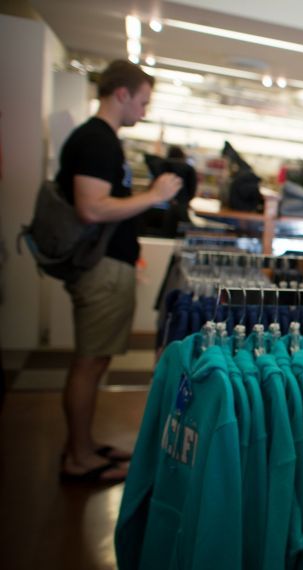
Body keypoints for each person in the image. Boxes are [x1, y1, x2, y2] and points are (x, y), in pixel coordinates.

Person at [56, 60, 182, 483]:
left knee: (94, 361)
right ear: (122, 94)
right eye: (143, 101)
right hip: (101, 268)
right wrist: (154, 195)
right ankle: (78, 457)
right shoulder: (97, 141)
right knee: (90, 363)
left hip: (109, 264)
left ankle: (83, 447)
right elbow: (91, 208)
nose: (144, 111)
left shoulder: (100, 140)